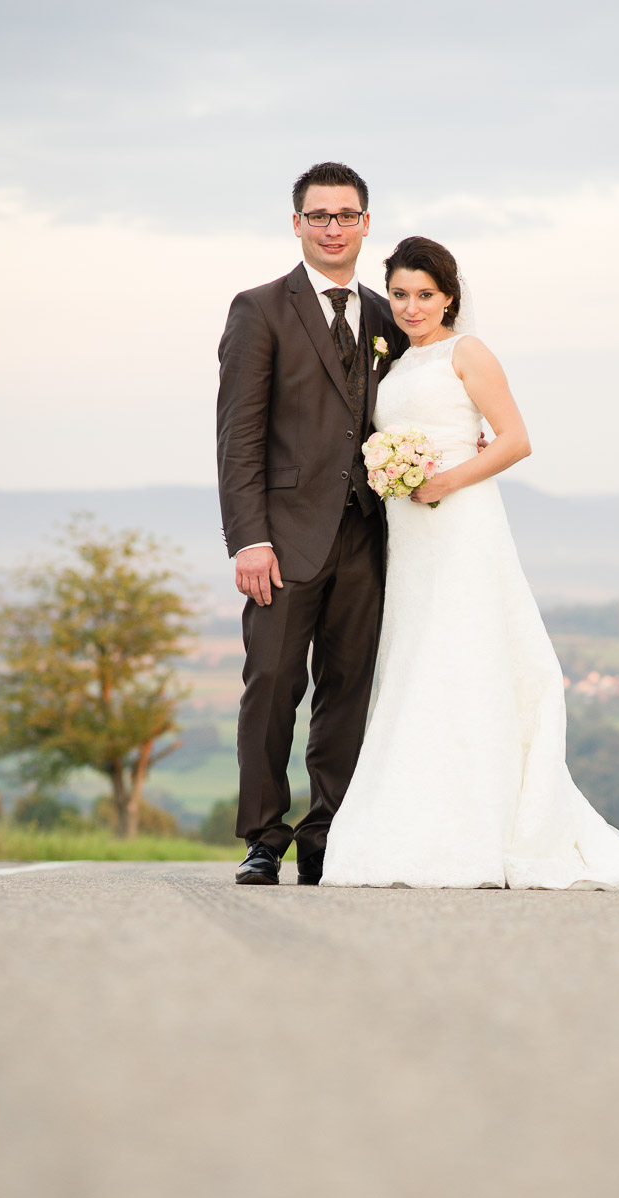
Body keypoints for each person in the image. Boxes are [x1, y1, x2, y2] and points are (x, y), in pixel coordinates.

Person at [321, 236, 619, 893]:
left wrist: (445, 481)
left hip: (459, 524)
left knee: (462, 656)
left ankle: (475, 826)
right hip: (409, 535)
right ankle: (417, 817)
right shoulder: (393, 362)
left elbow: (515, 440)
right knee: (418, 662)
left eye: (425, 294)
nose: (411, 306)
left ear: (449, 295)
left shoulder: (467, 352)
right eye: (399, 294)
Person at [216, 161, 408, 885]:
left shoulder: (388, 316)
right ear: (296, 224)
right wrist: (250, 539)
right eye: (319, 215)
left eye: (346, 214)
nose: (333, 227)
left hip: (369, 536)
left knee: (348, 691)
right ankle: (263, 837)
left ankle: (326, 833)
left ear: (366, 223)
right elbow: (237, 436)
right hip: (282, 539)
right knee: (269, 684)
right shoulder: (259, 309)